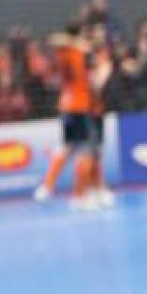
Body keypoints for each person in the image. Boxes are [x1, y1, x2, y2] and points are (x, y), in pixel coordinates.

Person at [37, 21, 110, 209]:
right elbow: (95, 81)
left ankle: (49, 186)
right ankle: (80, 196)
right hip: (84, 105)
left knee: (70, 146)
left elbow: (53, 41)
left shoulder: (64, 50)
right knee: (88, 151)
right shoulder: (84, 53)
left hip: (66, 104)